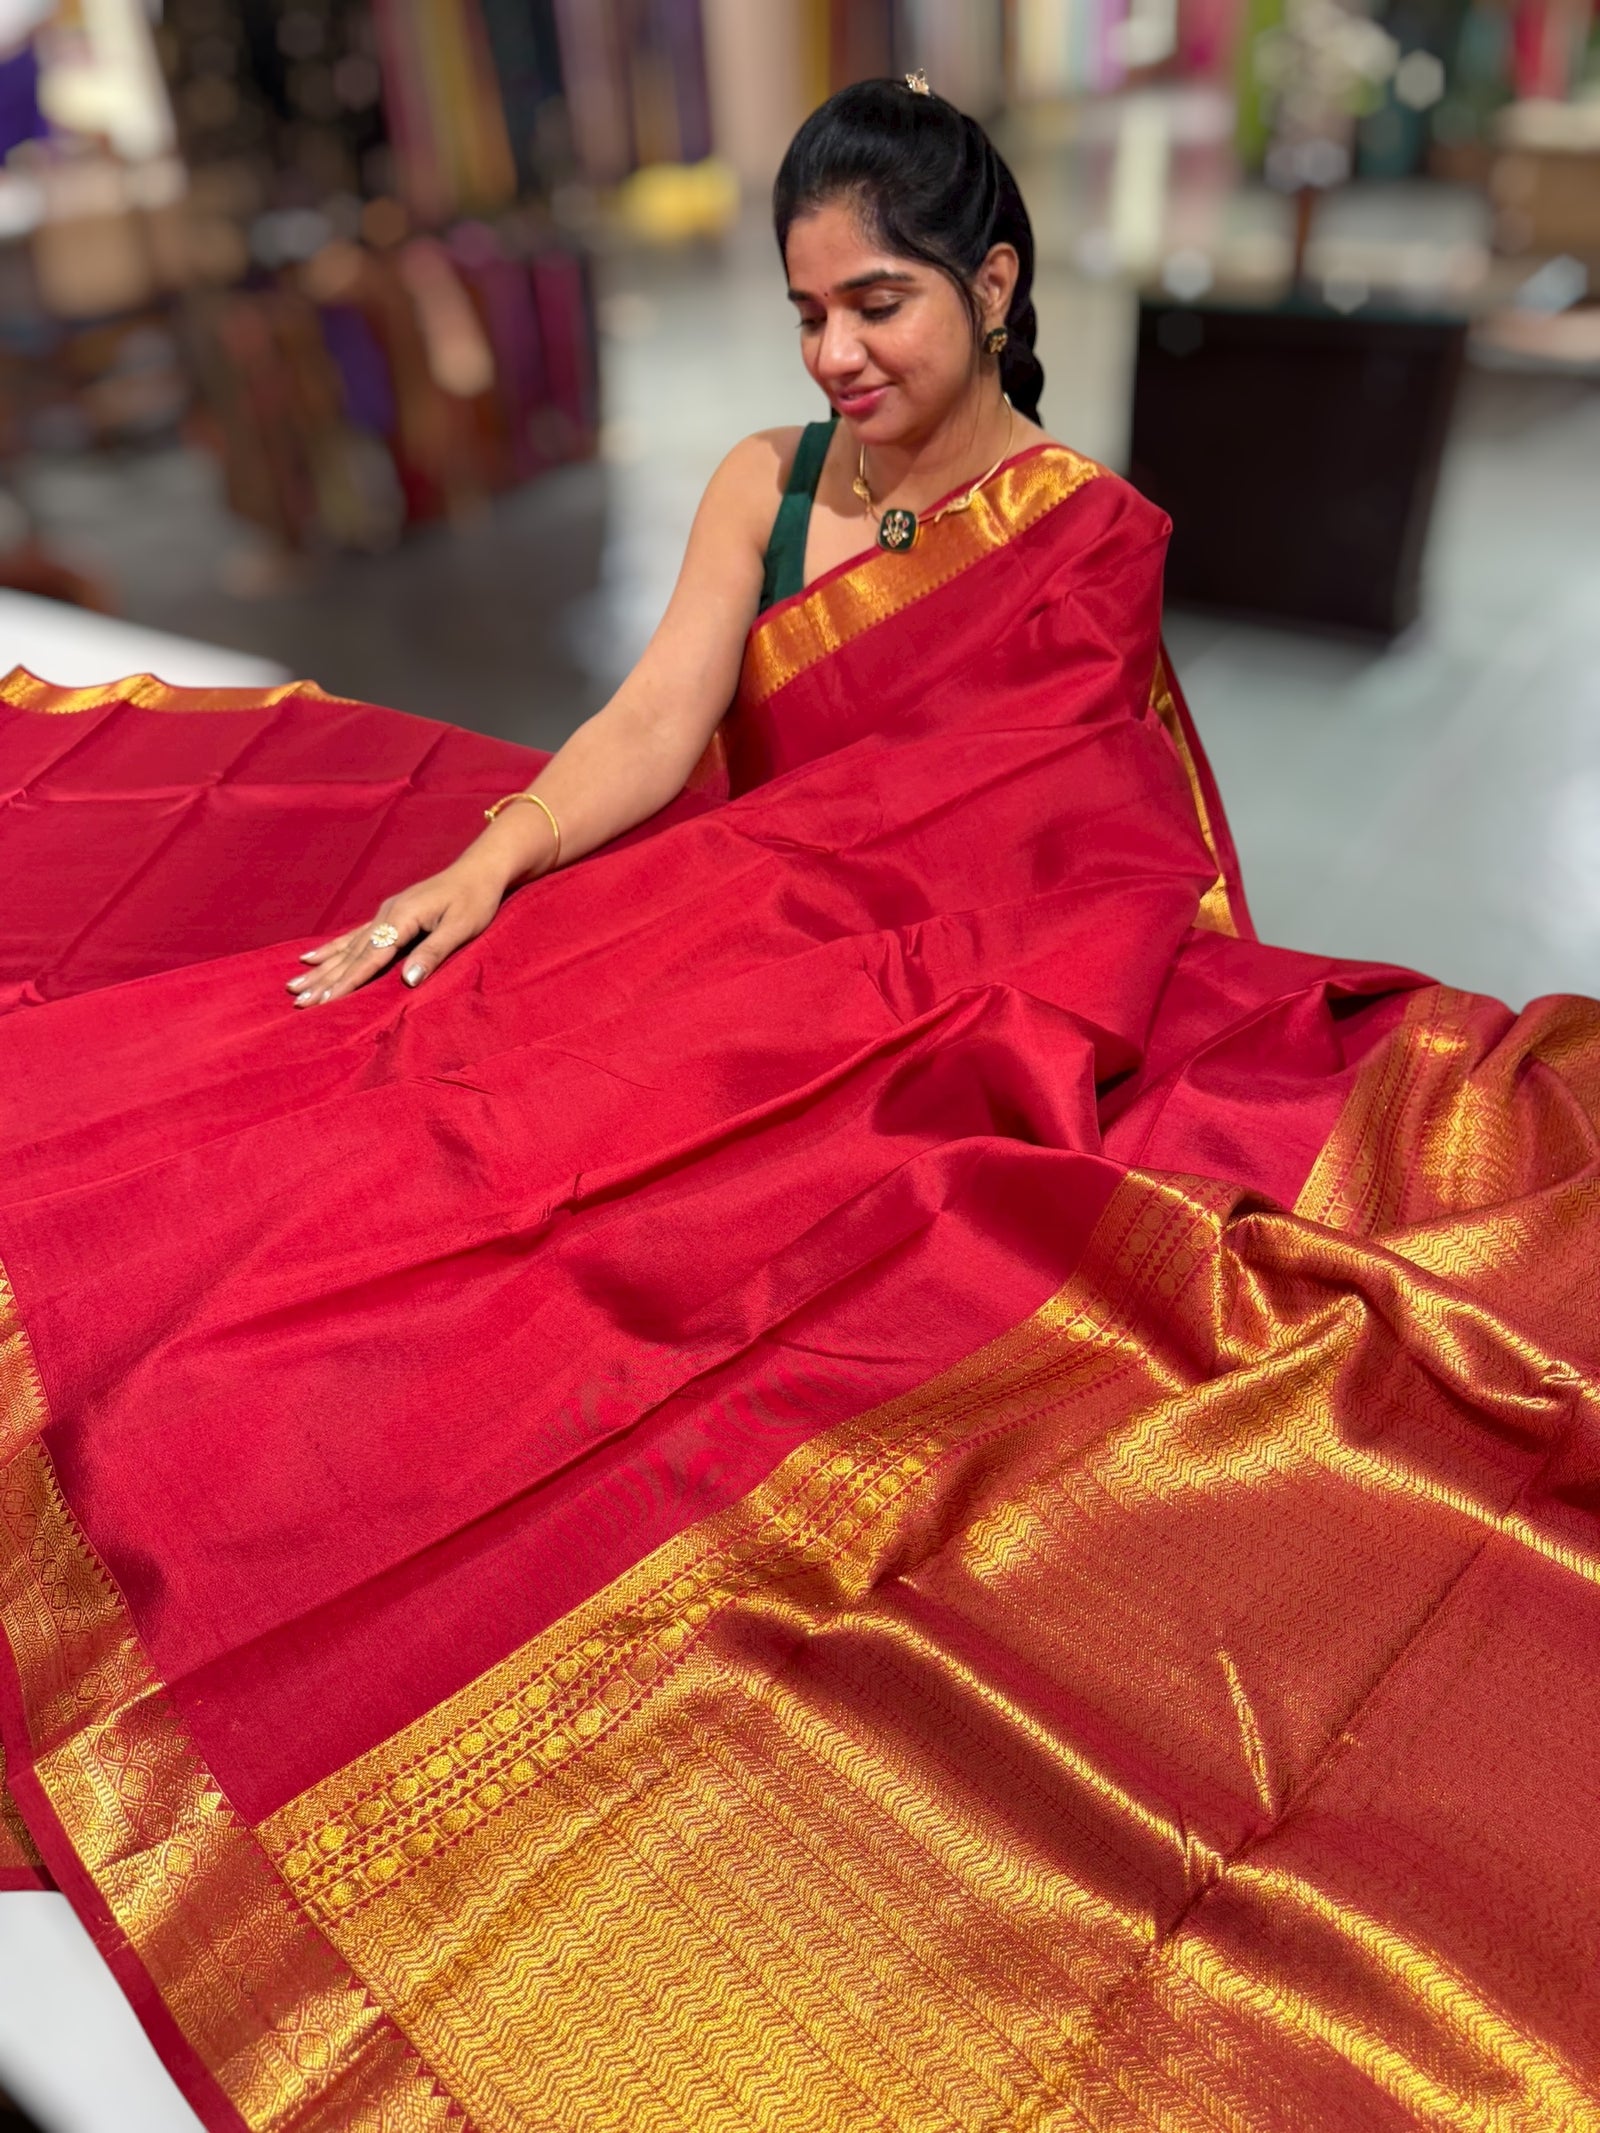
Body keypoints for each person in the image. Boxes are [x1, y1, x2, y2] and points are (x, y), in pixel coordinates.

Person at [0, 77, 1596, 2133]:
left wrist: (931, 985)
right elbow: (663, 715)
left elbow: (1087, 855)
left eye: (881, 304)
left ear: (990, 282)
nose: (842, 353)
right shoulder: (769, 478)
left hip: (933, 981)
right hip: (731, 916)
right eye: (807, 313)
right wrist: (498, 859)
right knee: (290, 1139)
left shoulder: (1072, 536)